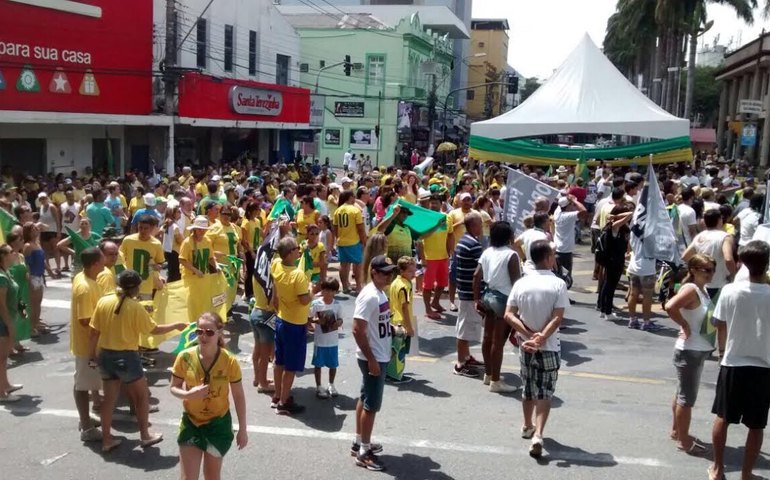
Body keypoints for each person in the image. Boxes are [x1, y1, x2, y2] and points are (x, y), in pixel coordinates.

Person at [88, 269, 186, 453]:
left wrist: (92, 356)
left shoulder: (104, 301)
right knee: (142, 397)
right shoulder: (135, 307)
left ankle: (107, 439)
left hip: (105, 355)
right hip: (127, 357)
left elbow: (94, 332)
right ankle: (145, 436)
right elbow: (154, 330)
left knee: (108, 400)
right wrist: (176, 325)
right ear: (137, 287)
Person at [709, 241, 770, 480]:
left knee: (723, 418)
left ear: (742, 263)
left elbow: (719, 324)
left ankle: (717, 468)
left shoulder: (730, 290)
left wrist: (722, 352)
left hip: (733, 362)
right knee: (756, 425)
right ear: (766, 265)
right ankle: (746, 473)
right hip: (763, 366)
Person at [504, 239, 569, 459]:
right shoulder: (558, 284)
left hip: (525, 346)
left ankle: (526, 425)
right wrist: (541, 337)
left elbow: (509, 314)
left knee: (528, 386)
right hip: (549, 347)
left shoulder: (521, 283)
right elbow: (557, 318)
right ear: (549, 258)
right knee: (545, 391)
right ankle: (538, 434)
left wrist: (528, 335)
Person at [170, 312, 248, 480]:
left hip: (218, 425)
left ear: (219, 333)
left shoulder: (229, 361)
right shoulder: (184, 357)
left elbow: (238, 396)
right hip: (191, 423)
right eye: (199, 331)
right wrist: (187, 394)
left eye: (209, 332)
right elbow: (174, 388)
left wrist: (242, 429)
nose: (203, 336)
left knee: (212, 477)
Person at [664, 254, 715, 456]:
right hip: (690, 350)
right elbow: (670, 306)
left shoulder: (702, 290)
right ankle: (684, 440)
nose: (711, 274)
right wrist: (684, 324)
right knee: (687, 398)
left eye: (712, 269)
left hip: (697, 349)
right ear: (693, 270)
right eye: (707, 270)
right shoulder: (691, 289)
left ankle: (678, 431)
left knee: (682, 393)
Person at [351, 255, 395, 472]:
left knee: (365, 397)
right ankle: (364, 452)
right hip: (374, 356)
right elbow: (357, 329)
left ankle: (359, 441)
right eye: (385, 272)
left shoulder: (379, 293)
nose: (389, 276)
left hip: (379, 353)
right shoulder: (369, 296)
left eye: (390, 272)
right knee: (372, 405)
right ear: (374, 273)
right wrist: (372, 360)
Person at [474, 221, 521, 393]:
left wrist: (476, 298)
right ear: (509, 236)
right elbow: (516, 282)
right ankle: (495, 380)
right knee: (498, 342)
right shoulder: (511, 255)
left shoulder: (487, 252)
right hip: (504, 299)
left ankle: (488, 374)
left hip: (488, 295)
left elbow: (476, 275)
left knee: (487, 337)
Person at [271, 237, 312, 415]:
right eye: (296, 248)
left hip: (281, 319)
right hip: (295, 323)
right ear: (290, 254)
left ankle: (277, 395)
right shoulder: (298, 275)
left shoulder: (276, 264)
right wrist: (313, 291)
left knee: (279, 360)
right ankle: (283, 402)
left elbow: (274, 286)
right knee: (291, 366)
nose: (299, 249)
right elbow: (304, 300)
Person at [70, 247, 105, 442]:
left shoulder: (88, 279)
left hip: (92, 344)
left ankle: (85, 419)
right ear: (95, 264)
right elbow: (85, 320)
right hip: (87, 346)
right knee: (82, 385)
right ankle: (86, 426)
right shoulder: (84, 287)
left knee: (86, 382)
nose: (105, 262)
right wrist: (109, 320)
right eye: (102, 260)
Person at [453, 212, 485, 378]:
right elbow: (480, 271)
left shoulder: (465, 240)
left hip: (464, 290)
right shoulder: (474, 244)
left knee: (464, 325)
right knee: (464, 328)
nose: (482, 227)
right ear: (474, 225)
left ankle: (465, 357)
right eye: (480, 224)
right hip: (469, 292)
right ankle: (460, 363)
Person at [683, 209, 736, 299]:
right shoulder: (725, 237)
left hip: (701, 283)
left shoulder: (700, 236)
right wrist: (734, 276)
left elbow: (685, 256)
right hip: (719, 283)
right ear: (720, 220)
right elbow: (728, 259)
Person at [596, 205, 633, 319]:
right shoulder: (615, 226)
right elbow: (631, 214)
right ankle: (608, 312)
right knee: (610, 286)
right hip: (614, 261)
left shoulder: (612, 226)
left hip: (612, 260)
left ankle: (603, 310)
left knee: (607, 284)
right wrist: (617, 216)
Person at [309, 278, 343, 399]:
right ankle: (318, 386)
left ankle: (331, 384)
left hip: (333, 341)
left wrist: (338, 323)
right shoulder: (316, 304)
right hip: (320, 341)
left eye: (331, 291)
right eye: (326, 290)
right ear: (322, 290)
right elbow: (308, 318)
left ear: (335, 292)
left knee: (333, 365)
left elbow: (340, 319)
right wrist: (316, 321)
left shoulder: (337, 305)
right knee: (318, 365)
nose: (328, 293)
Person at [419, 195, 451, 319]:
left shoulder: (447, 218)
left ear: (441, 204)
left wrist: (449, 252)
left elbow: (450, 235)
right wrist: (423, 258)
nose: (433, 205)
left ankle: (435, 302)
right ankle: (428, 309)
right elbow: (419, 240)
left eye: (435, 203)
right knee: (427, 286)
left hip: (443, 257)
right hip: (429, 258)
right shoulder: (425, 218)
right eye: (431, 203)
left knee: (443, 283)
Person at [120, 214, 165, 303]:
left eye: (146, 228)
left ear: (152, 228)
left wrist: (157, 267)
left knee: (145, 312)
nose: (142, 231)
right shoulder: (128, 240)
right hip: (129, 284)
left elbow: (160, 262)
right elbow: (120, 257)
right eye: (140, 228)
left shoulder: (156, 244)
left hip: (146, 285)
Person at [386, 256, 416, 384]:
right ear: (402, 271)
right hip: (401, 322)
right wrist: (409, 327)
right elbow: (404, 307)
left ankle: (388, 372)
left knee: (392, 348)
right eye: (410, 271)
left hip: (393, 319)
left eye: (414, 271)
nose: (413, 274)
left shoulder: (395, 282)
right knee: (400, 351)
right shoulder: (405, 286)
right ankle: (395, 375)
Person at [0, 244, 23, 402]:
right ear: (3, 256)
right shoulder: (1, 277)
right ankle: (1, 393)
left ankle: (6, 385)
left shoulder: (6, 272)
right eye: (10, 252)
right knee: (1, 357)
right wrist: (9, 325)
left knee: (4, 357)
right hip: (3, 322)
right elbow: (1, 305)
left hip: (9, 318)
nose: (14, 254)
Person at [333, 190, 366, 295]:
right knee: (357, 265)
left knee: (344, 265)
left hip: (341, 241)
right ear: (350, 197)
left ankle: (345, 286)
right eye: (353, 197)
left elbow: (335, 228)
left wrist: (339, 237)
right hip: (354, 241)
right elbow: (360, 228)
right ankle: (358, 286)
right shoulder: (355, 210)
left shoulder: (337, 210)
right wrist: (364, 240)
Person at [446, 192, 474, 311]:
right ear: (460, 201)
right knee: (453, 278)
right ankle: (452, 302)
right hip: (457, 251)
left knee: (471, 276)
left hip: (472, 250)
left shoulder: (475, 214)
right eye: (464, 200)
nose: (467, 202)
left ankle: (469, 301)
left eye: (469, 199)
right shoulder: (453, 213)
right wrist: (461, 223)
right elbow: (448, 230)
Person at [553, 195, 586, 288]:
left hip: (559, 248)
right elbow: (584, 211)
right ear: (567, 206)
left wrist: (570, 199)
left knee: (559, 274)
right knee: (566, 276)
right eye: (571, 205)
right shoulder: (568, 216)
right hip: (565, 250)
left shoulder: (557, 212)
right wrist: (575, 201)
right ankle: (564, 296)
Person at [22, 222, 46, 337]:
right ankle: (31, 328)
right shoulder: (27, 246)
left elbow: (42, 260)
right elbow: (26, 264)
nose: (36, 230)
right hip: (33, 276)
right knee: (33, 304)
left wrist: (49, 272)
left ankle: (35, 324)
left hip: (40, 275)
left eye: (36, 228)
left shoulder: (37, 243)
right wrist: (29, 280)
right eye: (33, 229)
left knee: (38, 303)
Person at [162, 206, 184, 283]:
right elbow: (179, 240)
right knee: (175, 274)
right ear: (173, 214)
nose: (180, 213)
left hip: (167, 251)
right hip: (175, 252)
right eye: (178, 212)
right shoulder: (174, 226)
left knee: (171, 272)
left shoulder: (166, 224)